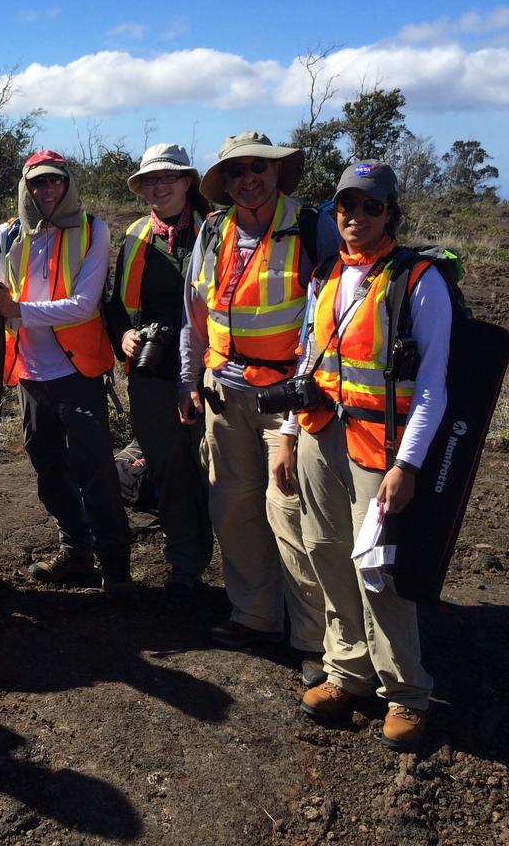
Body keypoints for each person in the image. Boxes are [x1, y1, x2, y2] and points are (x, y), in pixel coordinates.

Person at [272, 161, 451, 751]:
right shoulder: (325, 274)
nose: (355, 216)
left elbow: (432, 385)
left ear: (390, 213)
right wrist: (290, 436)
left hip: (382, 449)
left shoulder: (417, 279)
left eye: (370, 207)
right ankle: (347, 670)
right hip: (321, 434)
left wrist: (410, 464)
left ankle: (406, 691)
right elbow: (307, 359)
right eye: (346, 205)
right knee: (325, 551)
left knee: (378, 568)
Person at [181, 131, 338, 685]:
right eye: (237, 171)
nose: (250, 178)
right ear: (223, 182)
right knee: (232, 506)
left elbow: (331, 325)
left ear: (277, 173)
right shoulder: (213, 229)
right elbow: (194, 314)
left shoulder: (312, 226)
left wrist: (297, 415)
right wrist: (189, 377)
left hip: (288, 400)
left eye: (260, 168)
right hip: (224, 394)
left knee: (292, 513)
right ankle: (254, 614)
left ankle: (317, 639)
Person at [0, 150, 133, 598]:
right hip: (30, 369)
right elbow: (2, 294)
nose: (48, 191)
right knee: (47, 465)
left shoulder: (93, 232)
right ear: (26, 187)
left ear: (67, 184)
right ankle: (76, 551)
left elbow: (84, 305)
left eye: (56, 182)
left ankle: (116, 564)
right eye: (39, 183)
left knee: (94, 466)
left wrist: (17, 309)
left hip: (77, 370)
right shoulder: (9, 234)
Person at [104, 144, 213, 602]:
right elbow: (115, 307)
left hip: (212, 373)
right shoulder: (135, 236)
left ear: (188, 182)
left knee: (221, 472)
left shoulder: (217, 231)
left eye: (169, 178)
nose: (159, 186)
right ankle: (184, 567)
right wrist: (123, 339)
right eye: (150, 180)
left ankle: (260, 584)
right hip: (151, 373)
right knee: (169, 471)